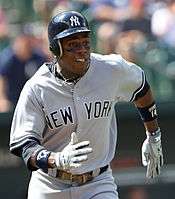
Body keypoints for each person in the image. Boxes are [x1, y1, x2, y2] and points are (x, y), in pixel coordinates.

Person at [9, 11, 164, 199]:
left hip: (97, 182)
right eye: (73, 45)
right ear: (56, 49)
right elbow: (24, 146)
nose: (82, 49)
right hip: (50, 185)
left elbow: (141, 87)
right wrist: (55, 159)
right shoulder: (37, 87)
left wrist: (153, 134)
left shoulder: (111, 69)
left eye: (85, 42)